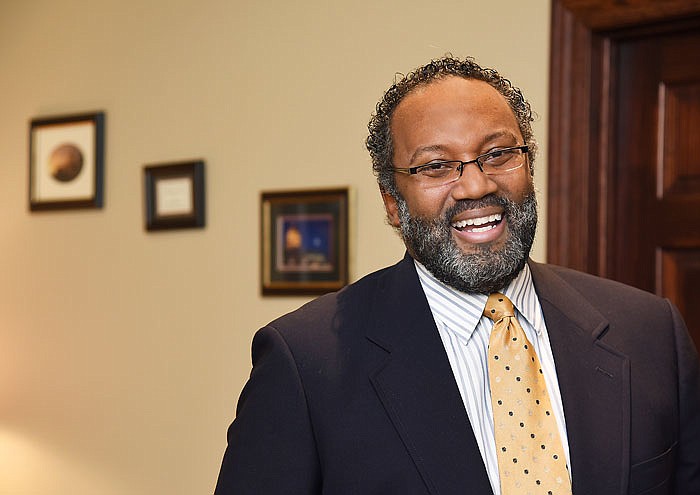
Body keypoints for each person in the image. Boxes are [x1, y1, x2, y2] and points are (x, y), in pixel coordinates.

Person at [214, 55, 700, 494]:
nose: (475, 184)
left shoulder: (650, 332)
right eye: (436, 166)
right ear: (393, 204)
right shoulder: (304, 363)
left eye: (498, 154)